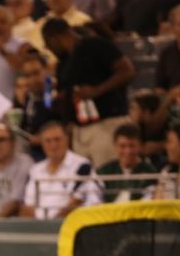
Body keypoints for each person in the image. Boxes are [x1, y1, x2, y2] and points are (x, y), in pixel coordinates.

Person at [41, 18, 134, 167]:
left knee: (107, 177)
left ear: (55, 38)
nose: (50, 50)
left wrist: (97, 90)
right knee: (84, 184)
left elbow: (127, 71)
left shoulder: (95, 45)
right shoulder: (63, 63)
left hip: (106, 124)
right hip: (79, 130)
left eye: (48, 45)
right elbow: (50, 102)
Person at [19, 121, 101, 218]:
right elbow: (27, 207)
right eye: (48, 141)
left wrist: (53, 223)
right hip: (39, 228)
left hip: (71, 225)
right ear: (42, 144)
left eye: (57, 139)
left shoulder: (83, 166)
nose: (53, 145)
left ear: (67, 140)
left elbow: (85, 203)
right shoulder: (35, 170)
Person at [96, 124, 158, 202]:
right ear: (115, 146)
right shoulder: (104, 172)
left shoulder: (150, 173)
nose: (127, 151)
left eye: (132, 146)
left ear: (140, 146)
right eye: (122, 146)